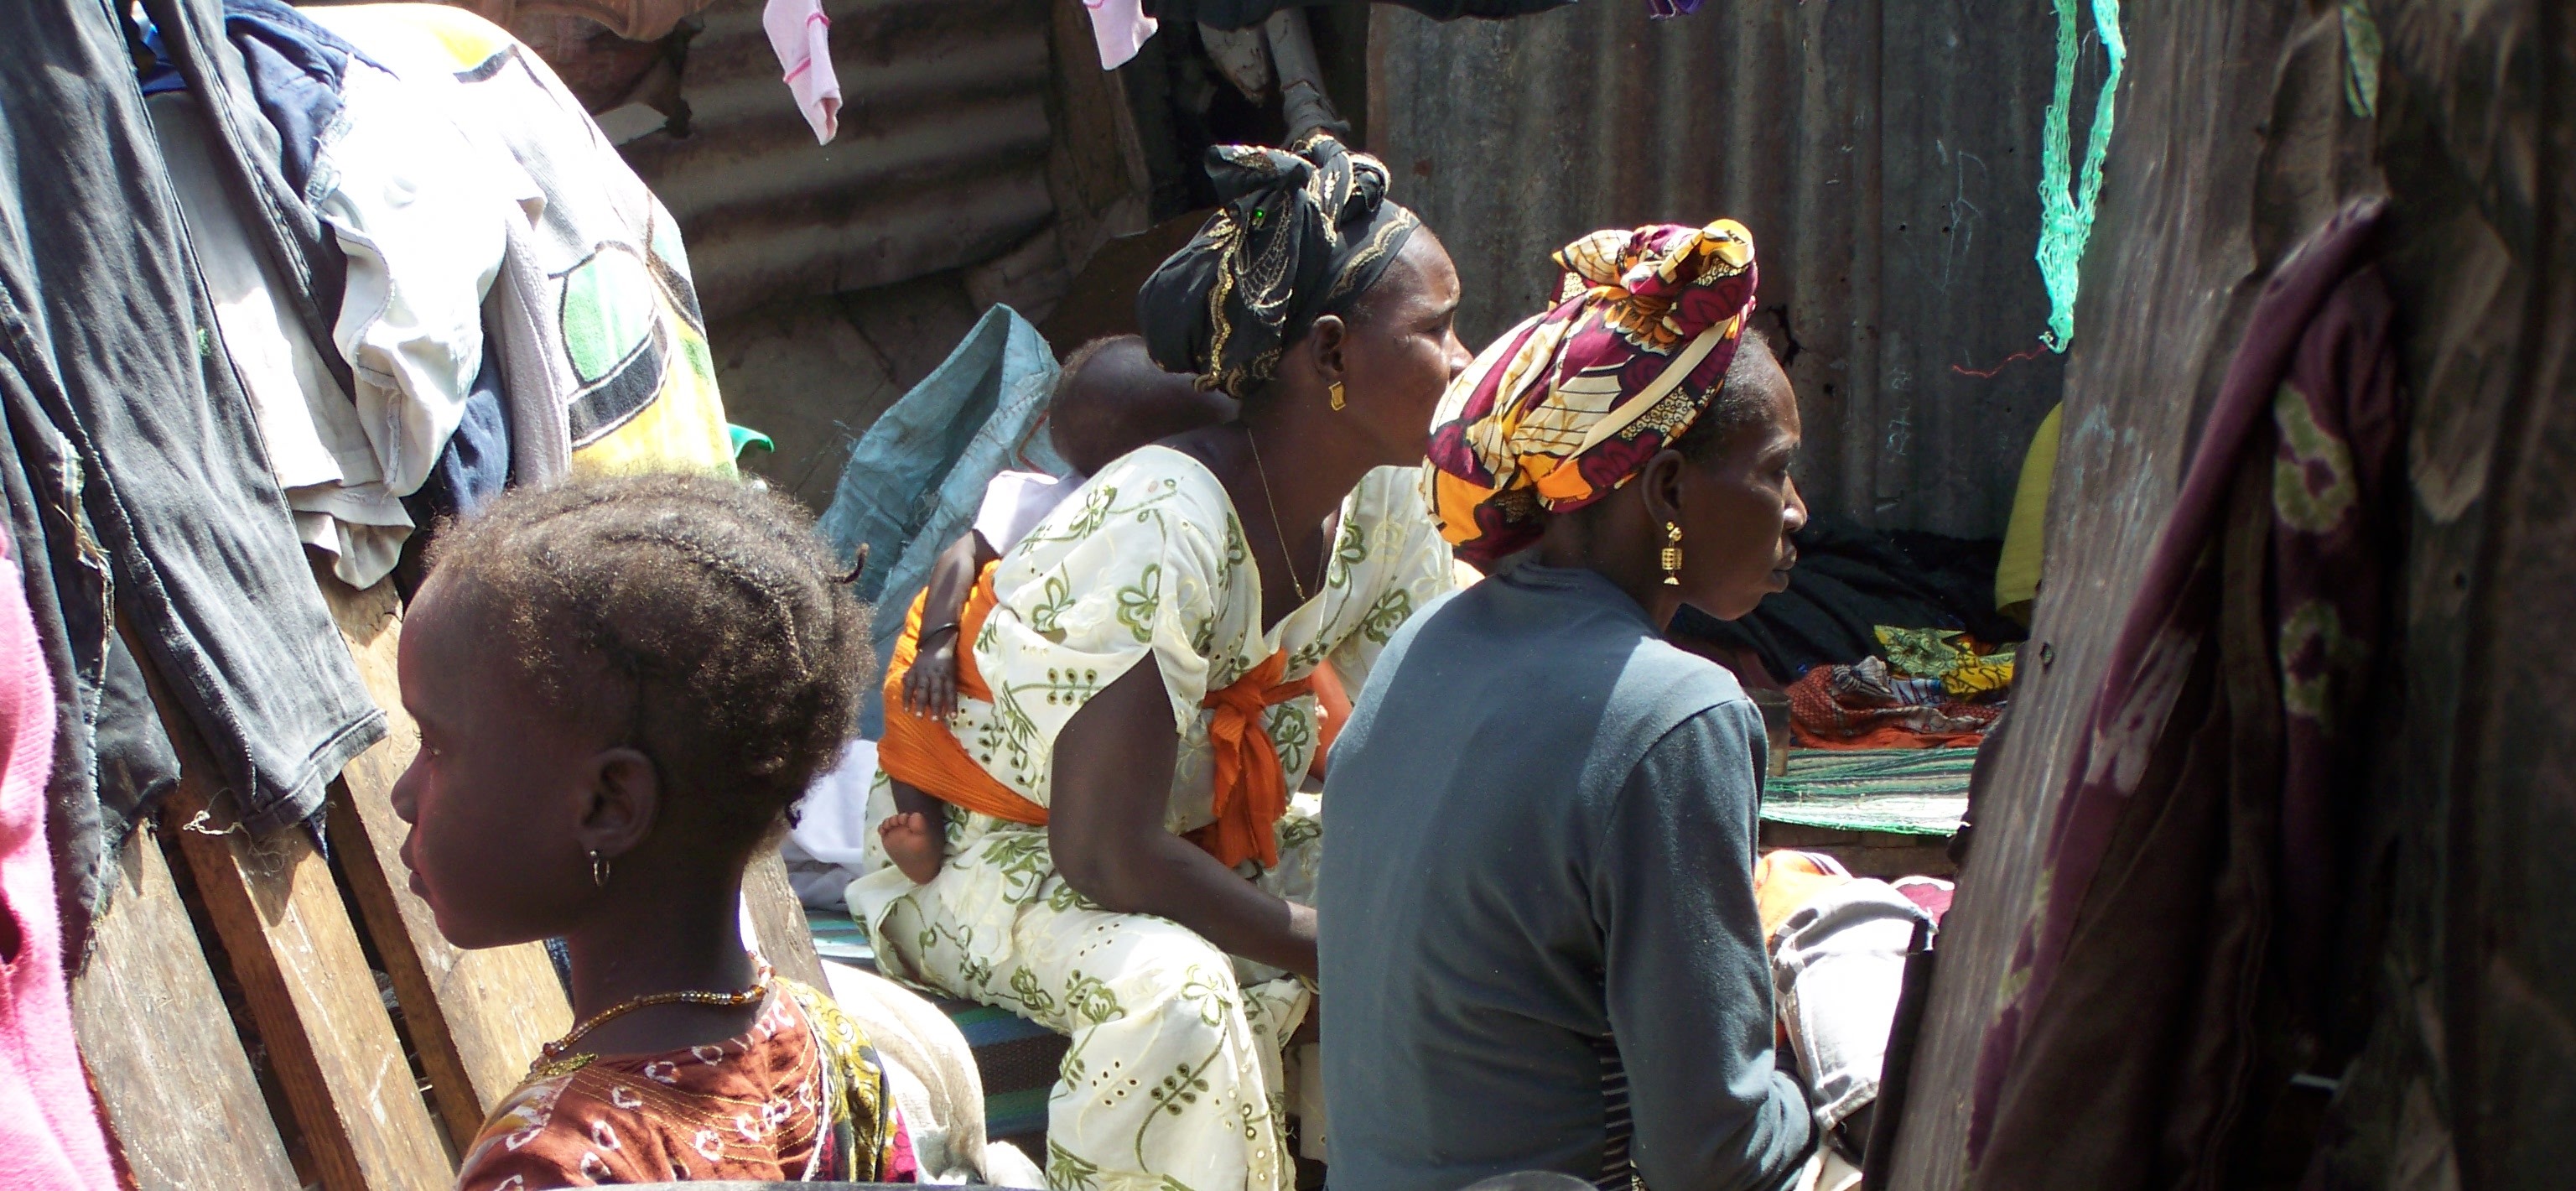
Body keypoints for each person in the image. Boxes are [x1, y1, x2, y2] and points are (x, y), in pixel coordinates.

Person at [849, 131, 1469, 1191]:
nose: (1462, 362)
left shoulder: (1385, 486)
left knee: (1461, 886)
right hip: (994, 852)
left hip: (1194, 825)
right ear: (1328, 356)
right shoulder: (1159, 522)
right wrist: (1342, 942)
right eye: (1437, 331)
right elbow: (1104, 857)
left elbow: (1432, 710)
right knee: (1173, 987)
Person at [1318, 221, 1820, 1191]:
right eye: (1773, 469)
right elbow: (1710, 1155)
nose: (1795, 508)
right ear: (1668, 490)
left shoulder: (1422, 649)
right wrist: (1820, 1076)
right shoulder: (1680, 715)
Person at [389, 475, 915, 1187]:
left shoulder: (558, 1165)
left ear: (609, 804)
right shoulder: (826, 1048)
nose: (401, 793)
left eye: (436, 745)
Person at [879, 335, 1234, 884]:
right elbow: (962, 555)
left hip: (1070, 708)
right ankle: (921, 828)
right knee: (914, 717)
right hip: (975, 679)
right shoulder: (1043, 499)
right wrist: (937, 642)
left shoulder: (1184, 521)